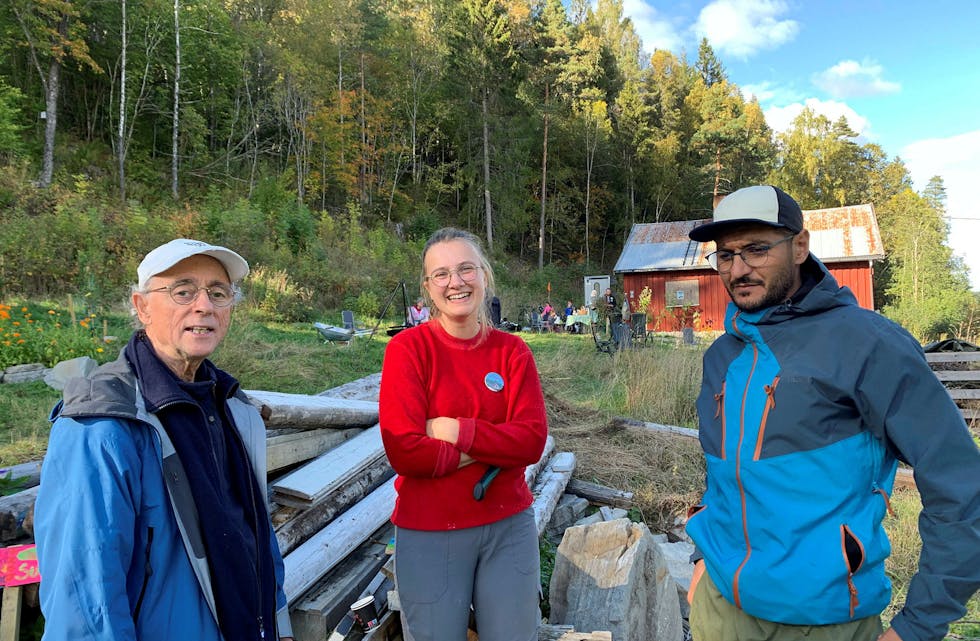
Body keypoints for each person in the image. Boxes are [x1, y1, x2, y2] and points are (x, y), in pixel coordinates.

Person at [684, 185, 980, 641]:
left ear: (800, 246)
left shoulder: (870, 345)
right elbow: (722, 475)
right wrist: (704, 555)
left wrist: (919, 625)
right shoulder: (722, 355)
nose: (738, 269)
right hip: (720, 611)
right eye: (725, 255)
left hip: (825, 622)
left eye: (757, 250)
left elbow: (961, 487)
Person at [35, 239, 293, 641]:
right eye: (183, 291)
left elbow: (255, 534)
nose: (204, 306)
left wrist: (281, 626)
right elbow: (85, 601)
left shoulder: (230, 406)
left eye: (219, 293)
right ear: (142, 307)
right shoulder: (100, 425)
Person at [379, 227, 548, 641]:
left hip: (508, 525)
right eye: (441, 274)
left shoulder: (512, 352)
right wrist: (495, 445)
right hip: (430, 530)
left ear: (484, 275)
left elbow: (531, 440)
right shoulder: (407, 350)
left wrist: (455, 430)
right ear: (427, 287)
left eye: (466, 269)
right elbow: (405, 451)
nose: (455, 282)